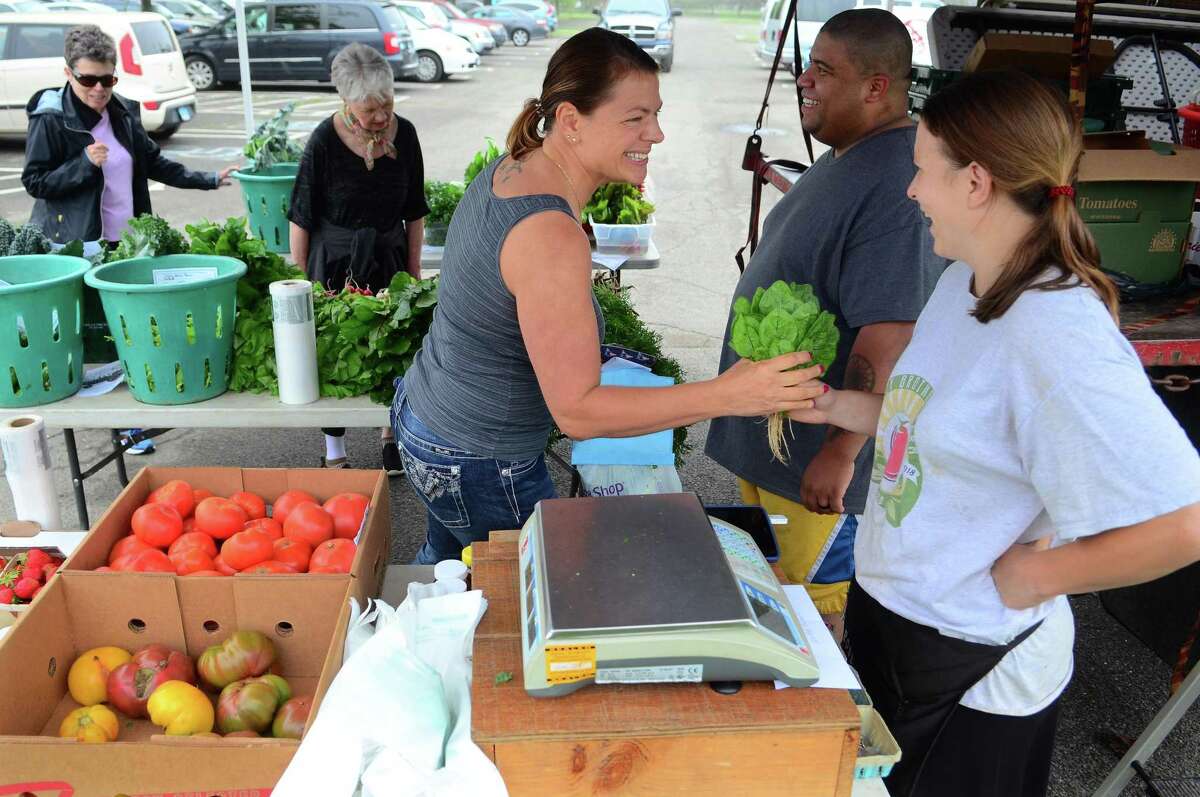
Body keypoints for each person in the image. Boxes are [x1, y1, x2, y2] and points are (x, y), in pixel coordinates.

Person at [787, 70, 1200, 796]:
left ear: (976, 182)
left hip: (977, 668)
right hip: (902, 623)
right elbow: (931, 420)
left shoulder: (1055, 328)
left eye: (922, 170)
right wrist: (832, 406)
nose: (911, 191)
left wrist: (1041, 575)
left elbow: (1182, 523)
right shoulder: (964, 282)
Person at [395, 27, 825, 565]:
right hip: (480, 457)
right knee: (531, 605)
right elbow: (579, 412)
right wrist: (732, 394)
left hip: (429, 416)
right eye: (635, 118)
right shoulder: (550, 233)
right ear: (571, 120)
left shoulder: (515, 164)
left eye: (656, 114)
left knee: (446, 578)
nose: (657, 134)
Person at [705, 9, 946, 639]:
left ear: (876, 87)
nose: (805, 80)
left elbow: (890, 334)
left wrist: (843, 453)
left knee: (815, 617)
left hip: (817, 463)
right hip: (778, 450)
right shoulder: (849, 157)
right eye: (807, 65)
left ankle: (829, 726)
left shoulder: (896, 182)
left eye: (824, 70)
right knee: (767, 598)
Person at [22, 24, 235, 457]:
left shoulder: (120, 112)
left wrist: (209, 179)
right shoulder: (50, 118)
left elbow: (154, 163)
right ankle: (114, 427)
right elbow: (34, 182)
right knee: (95, 339)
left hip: (128, 244)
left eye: (108, 79)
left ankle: (132, 421)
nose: (99, 89)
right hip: (79, 246)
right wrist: (83, 164)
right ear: (68, 73)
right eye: (88, 80)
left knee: (131, 334)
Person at [287, 42, 428, 471]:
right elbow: (301, 218)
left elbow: (415, 212)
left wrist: (414, 271)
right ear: (345, 100)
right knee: (335, 353)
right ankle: (335, 450)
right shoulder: (324, 141)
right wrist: (301, 283)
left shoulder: (406, 135)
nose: (382, 117)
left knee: (391, 349)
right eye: (370, 109)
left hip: (388, 259)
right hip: (333, 263)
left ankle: (390, 436)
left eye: (386, 102)